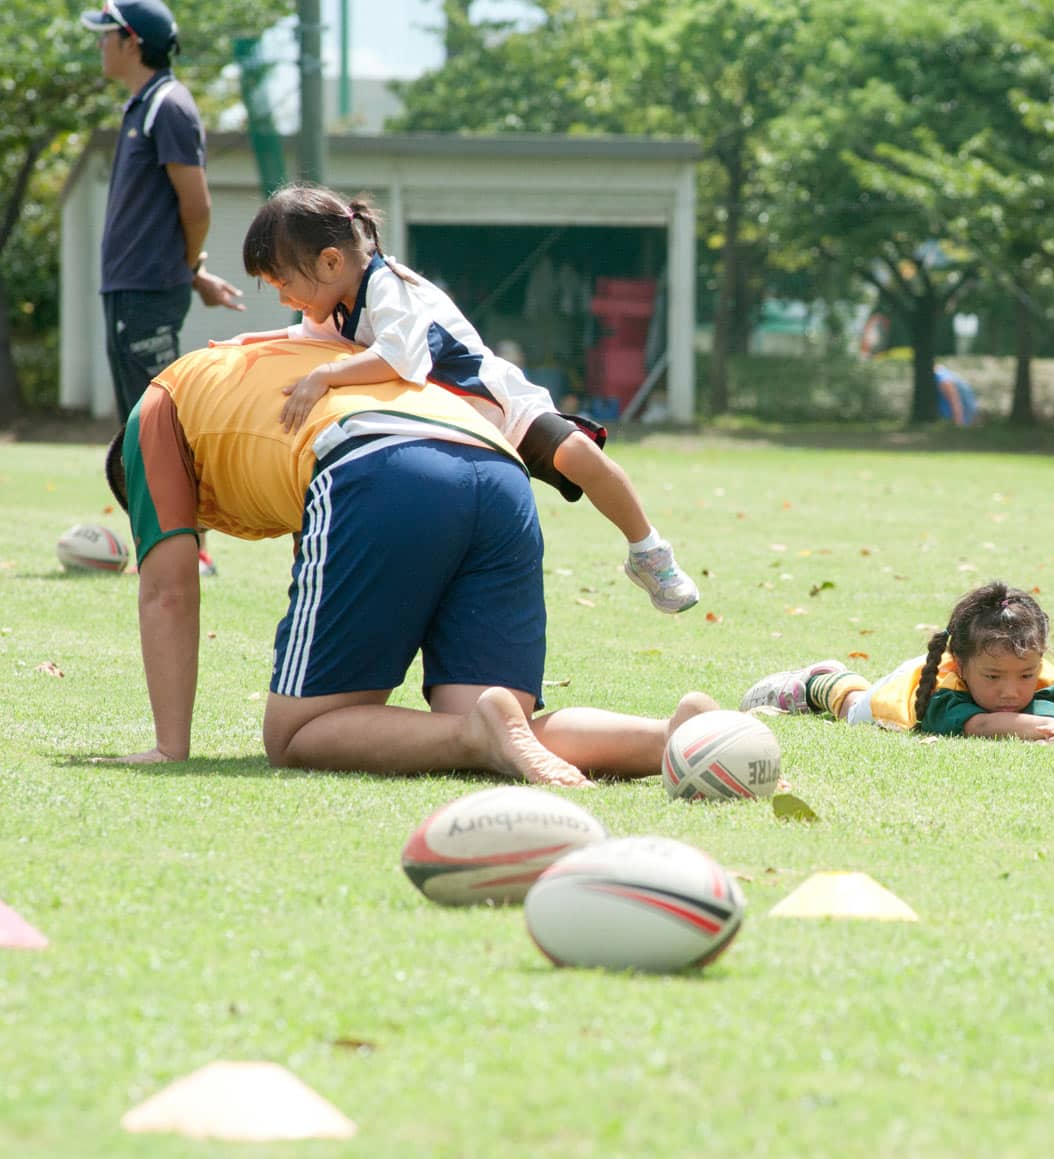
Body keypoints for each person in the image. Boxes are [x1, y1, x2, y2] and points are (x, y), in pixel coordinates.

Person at [97, 337, 716, 781]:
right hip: (494, 467)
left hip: (377, 465)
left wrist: (168, 748)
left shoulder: (156, 409)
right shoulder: (255, 360)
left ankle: (476, 733)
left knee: (295, 733)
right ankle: (681, 738)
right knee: (509, 722)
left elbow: (169, 589)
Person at [218, 184, 698, 615]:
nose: (284, 299)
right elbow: (304, 336)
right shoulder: (332, 305)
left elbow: (397, 359)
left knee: (577, 454)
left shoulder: (388, 287)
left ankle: (648, 550)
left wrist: (323, 377)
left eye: (285, 284)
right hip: (439, 426)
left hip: (495, 407)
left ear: (329, 261)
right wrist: (252, 342)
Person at [81, 0, 246, 575]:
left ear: (131, 41)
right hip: (133, 290)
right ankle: (180, 548)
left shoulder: (168, 105)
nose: (99, 44)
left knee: (157, 427)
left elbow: (195, 204)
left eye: (106, 35)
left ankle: (191, 553)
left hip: (146, 292)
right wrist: (195, 274)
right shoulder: (142, 106)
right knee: (144, 423)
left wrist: (188, 263)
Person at [739, 581, 1054, 743]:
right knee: (853, 705)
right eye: (994, 677)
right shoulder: (945, 689)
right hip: (903, 695)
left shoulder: (1032, 677)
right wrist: (1035, 727)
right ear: (962, 664)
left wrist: (1052, 722)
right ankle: (814, 681)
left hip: (1002, 697)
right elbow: (978, 726)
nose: (1011, 691)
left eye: (1025, 674)